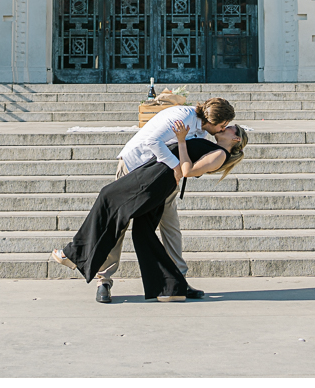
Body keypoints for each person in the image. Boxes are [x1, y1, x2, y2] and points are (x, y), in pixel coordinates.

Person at [51, 118, 248, 301]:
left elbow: (188, 170)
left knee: (109, 198)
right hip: (153, 175)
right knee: (141, 230)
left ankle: (75, 254)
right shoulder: (209, 142)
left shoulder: (221, 154)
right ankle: (169, 287)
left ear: (235, 137)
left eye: (230, 127)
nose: (225, 127)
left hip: (157, 180)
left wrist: (181, 140)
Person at [94, 96, 235, 303]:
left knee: (170, 225)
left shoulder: (203, 129)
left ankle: (179, 279)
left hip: (162, 179)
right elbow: (152, 142)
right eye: (223, 125)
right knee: (119, 224)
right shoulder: (182, 117)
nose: (223, 130)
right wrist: (178, 168)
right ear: (213, 121)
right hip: (134, 167)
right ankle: (103, 280)